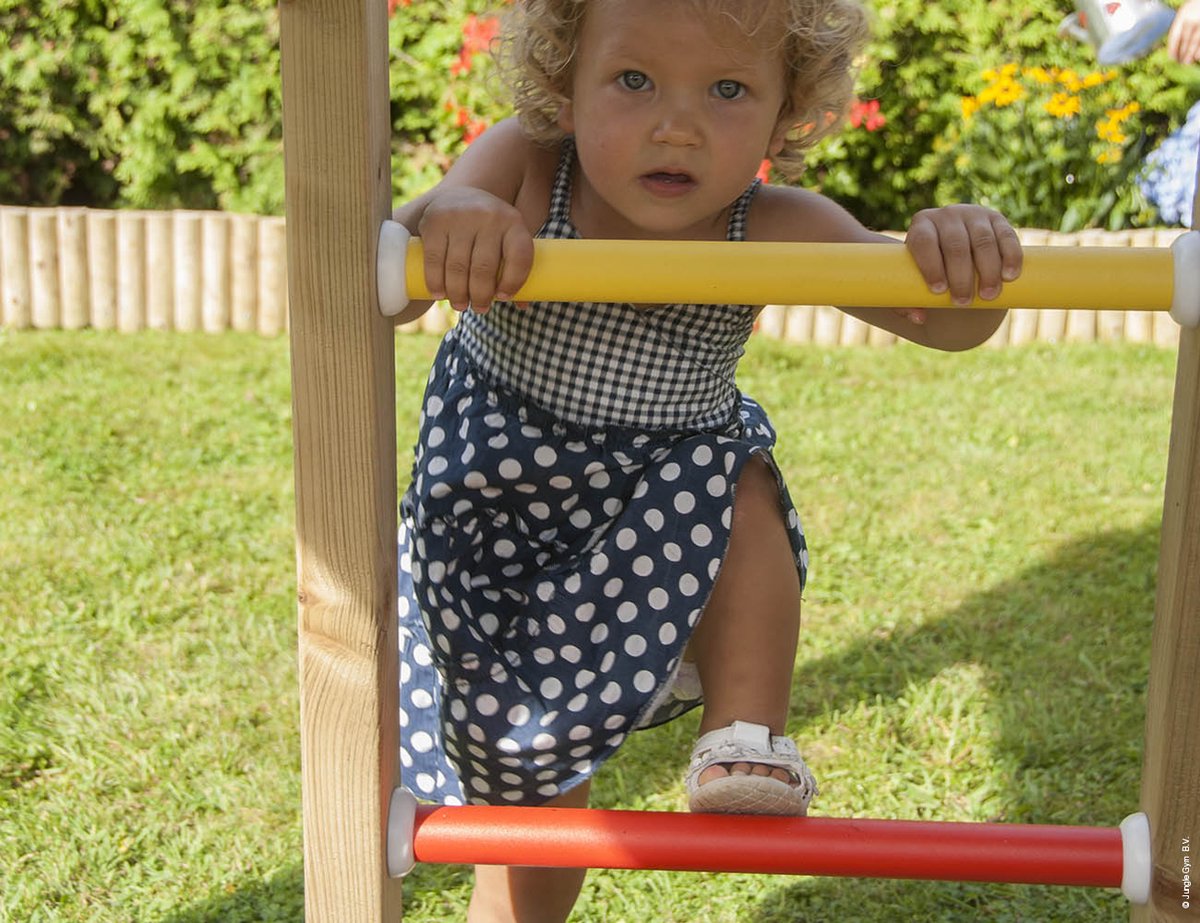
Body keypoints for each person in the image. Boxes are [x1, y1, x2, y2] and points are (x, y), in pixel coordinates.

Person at [390, 0, 1023, 920]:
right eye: (634, 81)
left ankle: (746, 736)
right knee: (531, 789)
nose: (677, 124)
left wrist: (964, 257)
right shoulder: (525, 166)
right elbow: (407, 260)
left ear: (785, 111)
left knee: (735, 473)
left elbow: (942, 322)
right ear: (565, 87)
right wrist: (455, 214)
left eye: (728, 90)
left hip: (660, 506)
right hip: (497, 516)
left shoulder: (771, 222)